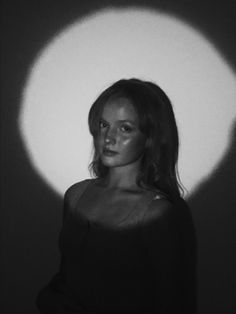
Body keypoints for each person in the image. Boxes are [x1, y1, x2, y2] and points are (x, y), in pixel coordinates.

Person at [36, 78, 197, 313]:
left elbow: (175, 302)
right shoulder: (76, 195)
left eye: (125, 128)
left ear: (150, 137)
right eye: (103, 124)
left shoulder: (158, 212)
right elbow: (68, 276)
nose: (109, 138)